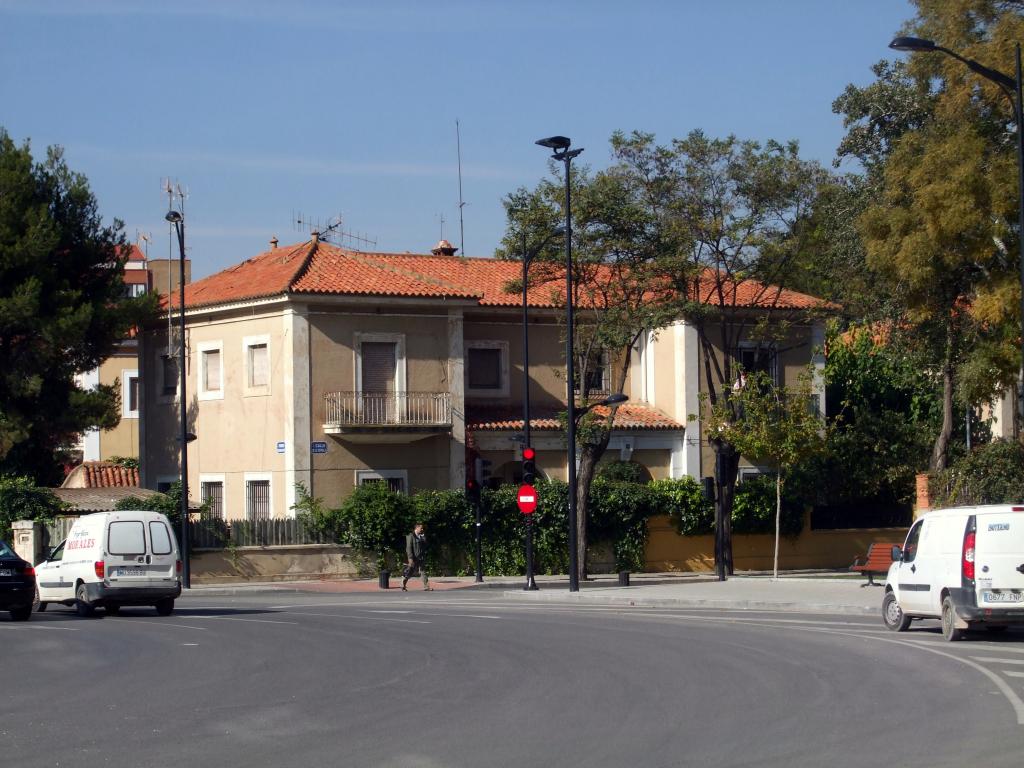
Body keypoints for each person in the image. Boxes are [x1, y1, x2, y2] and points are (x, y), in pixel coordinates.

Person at [402, 523, 432, 591]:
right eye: (421, 528)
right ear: (417, 528)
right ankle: (402, 585)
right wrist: (410, 558)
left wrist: (424, 537)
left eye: (422, 528)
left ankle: (426, 587)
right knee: (410, 572)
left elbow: (425, 545)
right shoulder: (410, 536)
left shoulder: (421, 536)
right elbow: (408, 548)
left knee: (423, 571)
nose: (422, 529)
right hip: (413, 558)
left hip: (421, 558)